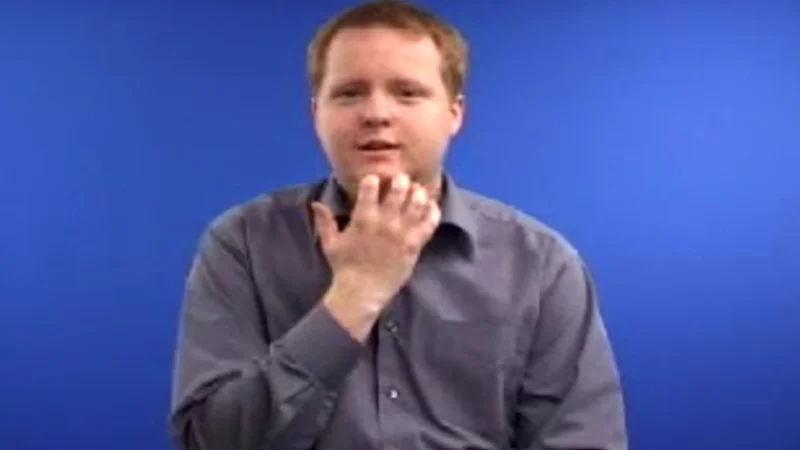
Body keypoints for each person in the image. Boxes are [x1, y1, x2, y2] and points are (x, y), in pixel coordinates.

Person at [168, 1, 628, 449]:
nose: (376, 113)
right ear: (316, 114)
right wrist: (354, 296)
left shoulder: (542, 265)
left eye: (407, 92)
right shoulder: (242, 244)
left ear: (454, 113)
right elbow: (210, 439)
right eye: (349, 93)